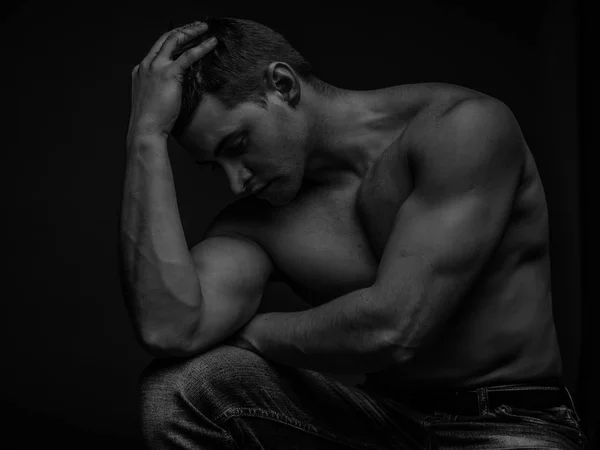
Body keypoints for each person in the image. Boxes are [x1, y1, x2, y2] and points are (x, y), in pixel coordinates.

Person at [120, 16, 588, 449]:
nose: (235, 180)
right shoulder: (256, 223)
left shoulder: (461, 128)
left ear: (282, 86)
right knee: (177, 387)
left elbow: (394, 328)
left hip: (507, 422)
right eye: (214, 165)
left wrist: (254, 334)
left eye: (238, 145)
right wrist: (145, 137)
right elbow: (170, 330)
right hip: (379, 423)